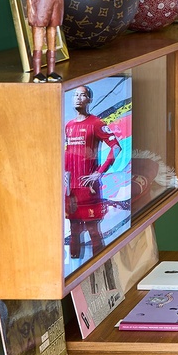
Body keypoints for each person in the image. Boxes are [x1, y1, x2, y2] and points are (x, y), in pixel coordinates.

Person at [64, 85, 122, 261]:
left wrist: (99, 172)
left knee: (93, 231)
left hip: (89, 188)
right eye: (75, 95)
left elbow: (116, 148)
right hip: (70, 190)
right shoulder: (69, 126)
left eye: (82, 95)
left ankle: (100, 267)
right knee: (73, 230)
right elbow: (68, 152)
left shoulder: (96, 123)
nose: (78, 98)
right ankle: (73, 279)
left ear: (89, 100)